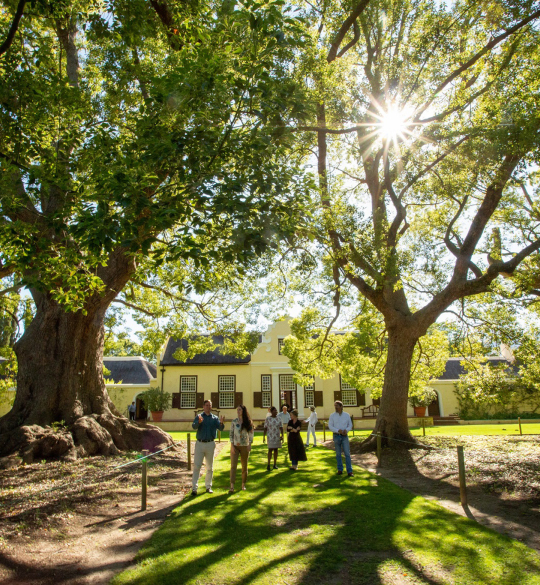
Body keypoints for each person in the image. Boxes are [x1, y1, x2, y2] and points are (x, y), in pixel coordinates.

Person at [191, 400, 225, 495]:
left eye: (210, 405)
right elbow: (194, 427)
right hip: (200, 444)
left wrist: (221, 423)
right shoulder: (199, 417)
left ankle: (208, 487)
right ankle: (194, 488)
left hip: (210, 444)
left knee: (210, 467)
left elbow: (221, 428)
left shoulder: (214, 418)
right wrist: (199, 422)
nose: (208, 407)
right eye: (206, 405)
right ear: (203, 406)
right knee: (197, 466)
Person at [229, 405, 254, 492]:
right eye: (237, 410)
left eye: (239, 410)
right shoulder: (234, 422)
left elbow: (251, 434)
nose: (238, 411)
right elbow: (231, 434)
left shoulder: (248, 422)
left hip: (245, 446)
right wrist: (232, 446)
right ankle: (232, 486)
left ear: (243, 411)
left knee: (244, 466)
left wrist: (250, 444)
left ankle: (243, 484)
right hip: (235, 446)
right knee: (233, 466)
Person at [328, 400, 353, 477]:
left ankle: (349, 471)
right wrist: (337, 430)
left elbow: (350, 425)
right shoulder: (332, 415)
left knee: (347, 453)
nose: (336, 407)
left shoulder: (346, 415)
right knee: (338, 453)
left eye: (337, 406)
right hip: (336, 435)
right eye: (335, 406)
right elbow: (330, 426)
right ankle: (340, 469)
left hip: (344, 436)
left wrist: (347, 430)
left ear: (341, 407)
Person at [264, 406, 282, 470]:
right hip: (270, 436)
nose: (276, 412)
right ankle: (268, 464)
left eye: (276, 411)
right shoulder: (268, 419)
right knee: (270, 450)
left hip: (276, 436)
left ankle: (275, 464)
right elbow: (265, 428)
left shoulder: (279, 418)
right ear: (271, 412)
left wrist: (282, 435)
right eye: (275, 411)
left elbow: (281, 427)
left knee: (276, 450)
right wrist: (264, 437)